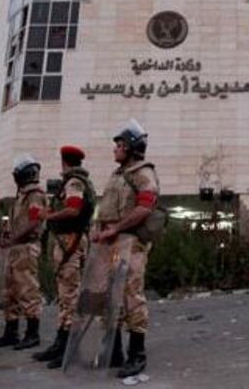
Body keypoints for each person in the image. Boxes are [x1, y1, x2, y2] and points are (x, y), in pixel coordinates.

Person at [92, 119, 160, 378]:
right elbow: (103, 207)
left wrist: (116, 228)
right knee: (110, 296)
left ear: (130, 147)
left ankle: (137, 354)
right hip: (110, 243)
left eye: (119, 145)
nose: (115, 149)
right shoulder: (117, 175)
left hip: (130, 242)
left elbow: (145, 207)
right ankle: (114, 351)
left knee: (132, 296)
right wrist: (97, 229)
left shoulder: (143, 173)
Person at [33, 145, 97, 369]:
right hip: (68, 241)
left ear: (64, 162)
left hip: (71, 241)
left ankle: (69, 345)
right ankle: (61, 342)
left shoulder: (74, 183)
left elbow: (73, 209)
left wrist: (48, 215)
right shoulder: (75, 181)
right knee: (65, 293)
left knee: (69, 294)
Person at [0, 156, 47, 350]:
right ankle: (11, 332)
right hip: (15, 248)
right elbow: (16, 222)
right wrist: (7, 236)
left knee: (27, 289)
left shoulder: (34, 195)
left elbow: (34, 222)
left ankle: (32, 333)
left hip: (26, 248)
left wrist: (13, 238)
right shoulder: (21, 196)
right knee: (10, 292)